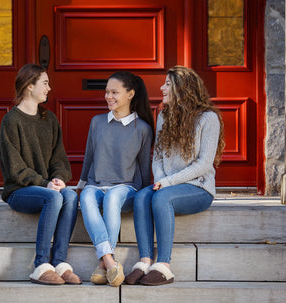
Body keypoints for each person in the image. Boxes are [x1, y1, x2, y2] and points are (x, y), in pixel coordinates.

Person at [124, 65, 225, 286]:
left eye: (168, 84)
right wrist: (160, 180)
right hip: (166, 184)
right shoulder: (164, 116)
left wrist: (167, 183)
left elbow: (204, 164)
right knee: (142, 196)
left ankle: (164, 266)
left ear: (183, 88)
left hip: (198, 188)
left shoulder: (208, 118)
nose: (162, 88)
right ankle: (144, 261)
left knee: (161, 198)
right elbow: (158, 155)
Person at [0, 63, 81, 285]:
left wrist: (59, 179)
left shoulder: (49, 119)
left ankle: (60, 263)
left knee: (71, 195)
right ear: (28, 86)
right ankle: (41, 265)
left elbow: (59, 159)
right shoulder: (11, 121)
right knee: (53, 196)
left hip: (46, 188)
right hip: (19, 190)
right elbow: (15, 168)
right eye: (44, 83)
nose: (49, 88)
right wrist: (44, 183)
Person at [77, 71, 154, 287]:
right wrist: (81, 185)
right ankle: (109, 261)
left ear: (130, 94)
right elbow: (88, 157)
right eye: (106, 92)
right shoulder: (97, 122)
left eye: (114, 92)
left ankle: (103, 263)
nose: (108, 96)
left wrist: (146, 197)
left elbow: (145, 168)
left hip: (126, 188)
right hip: (96, 184)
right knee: (87, 198)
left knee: (112, 198)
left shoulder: (143, 129)